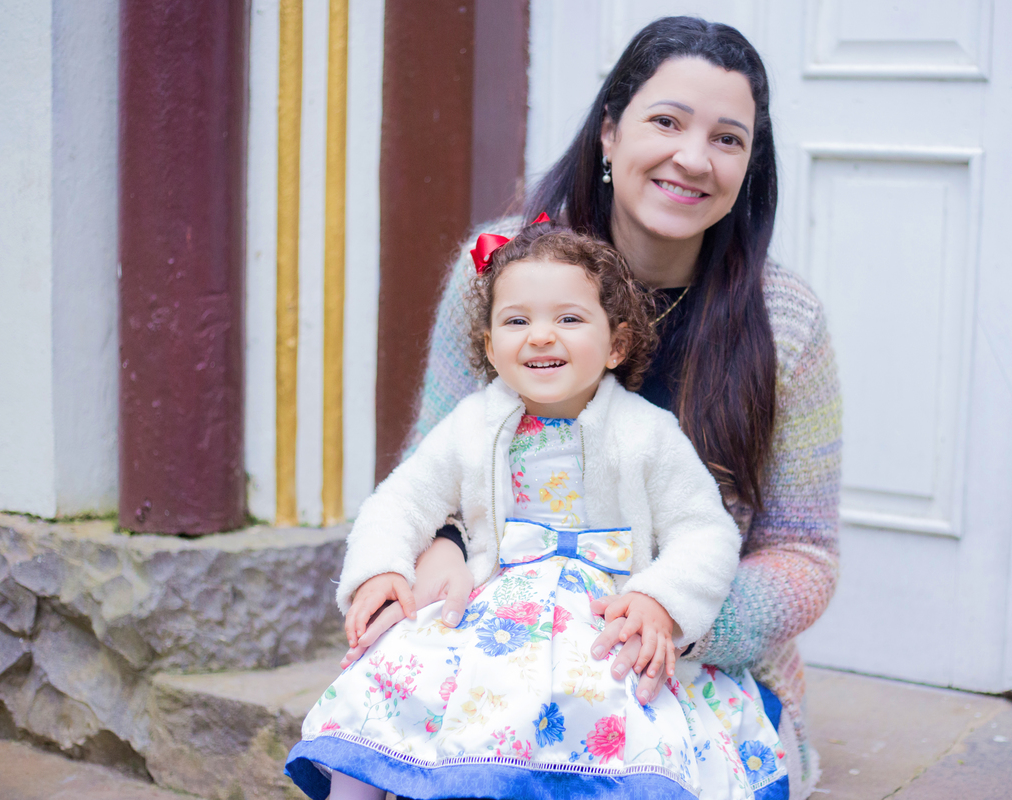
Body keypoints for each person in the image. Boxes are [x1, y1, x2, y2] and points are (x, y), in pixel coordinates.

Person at [339, 16, 841, 800]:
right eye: (666, 121)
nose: (692, 157)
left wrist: (665, 622)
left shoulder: (785, 321)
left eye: (728, 138)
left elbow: (804, 553)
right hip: (496, 645)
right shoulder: (503, 271)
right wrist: (433, 549)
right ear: (609, 132)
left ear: (750, 165)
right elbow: (427, 470)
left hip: (674, 661)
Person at [285, 222, 788, 800]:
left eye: (569, 319)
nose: (541, 336)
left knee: (610, 703)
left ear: (616, 344)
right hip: (492, 611)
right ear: (490, 344)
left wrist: (661, 600)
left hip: (598, 619)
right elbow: (402, 499)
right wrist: (382, 568)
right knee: (389, 668)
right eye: (517, 320)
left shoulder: (649, 434)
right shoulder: (472, 424)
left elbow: (704, 530)